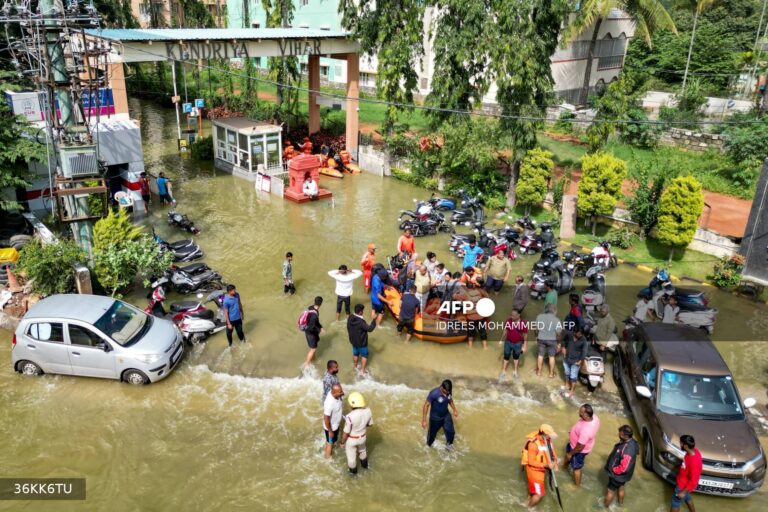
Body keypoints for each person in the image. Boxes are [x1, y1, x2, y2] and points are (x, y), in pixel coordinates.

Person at [522, 424, 559, 508]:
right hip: (534, 471)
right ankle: (529, 508)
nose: (550, 437)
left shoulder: (547, 440)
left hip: (542, 468)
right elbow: (531, 462)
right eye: (549, 435)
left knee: (534, 492)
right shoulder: (533, 444)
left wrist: (555, 461)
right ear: (542, 433)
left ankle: (526, 503)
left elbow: (552, 452)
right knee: (539, 494)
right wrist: (546, 465)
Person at [604, 425, 639, 508]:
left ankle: (605, 507)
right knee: (621, 487)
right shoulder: (633, 442)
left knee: (610, 491)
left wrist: (613, 470)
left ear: (624, 435)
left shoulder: (628, 449)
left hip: (617, 475)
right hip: (624, 477)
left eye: (620, 433)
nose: (618, 434)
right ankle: (620, 505)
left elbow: (624, 467)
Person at [565, 404, 601, 487]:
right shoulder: (594, 417)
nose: (579, 412)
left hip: (578, 450)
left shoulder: (586, 430)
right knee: (567, 455)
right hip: (573, 444)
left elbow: (580, 446)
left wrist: (571, 453)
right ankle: (563, 466)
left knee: (576, 468)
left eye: (580, 412)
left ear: (586, 415)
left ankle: (577, 485)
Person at [340, 392, 373, 475]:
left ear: (352, 404)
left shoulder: (349, 417)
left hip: (352, 440)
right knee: (363, 452)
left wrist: (342, 442)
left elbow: (346, 433)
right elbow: (370, 424)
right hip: (362, 437)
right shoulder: (368, 411)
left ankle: (353, 474)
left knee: (351, 459)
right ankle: (365, 467)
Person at [422, 379, 459, 449]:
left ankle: (448, 448)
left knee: (451, 432)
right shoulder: (434, 393)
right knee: (431, 438)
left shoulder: (448, 391)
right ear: (442, 387)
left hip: (446, 415)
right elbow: (426, 405)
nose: (447, 393)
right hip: (435, 418)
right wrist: (424, 420)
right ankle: (428, 448)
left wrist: (454, 409)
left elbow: (450, 400)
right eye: (446, 391)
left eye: (448, 391)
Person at [671, 435, 703, 512]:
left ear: (685, 446)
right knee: (687, 498)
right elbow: (687, 463)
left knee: (675, 503)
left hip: (682, 486)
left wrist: (683, 492)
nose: (680, 445)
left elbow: (693, 481)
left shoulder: (694, 463)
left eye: (681, 443)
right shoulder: (694, 451)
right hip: (684, 484)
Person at [347, 304, 376, 375]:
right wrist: (374, 320)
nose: (363, 312)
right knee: (364, 355)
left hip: (353, 341)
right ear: (360, 312)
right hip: (362, 343)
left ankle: (355, 366)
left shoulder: (350, 317)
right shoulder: (361, 322)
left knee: (355, 354)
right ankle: (362, 370)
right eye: (362, 311)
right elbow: (370, 329)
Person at [499, 308, 528, 381]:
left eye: (514, 315)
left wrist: (524, 346)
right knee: (506, 357)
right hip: (508, 342)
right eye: (511, 315)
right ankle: (503, 371)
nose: (512, 317)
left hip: (518, 343)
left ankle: (515, 371)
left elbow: (525, 335)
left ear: (519, 315)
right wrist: (501, 340)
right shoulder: (508, 321)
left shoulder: (523, 323)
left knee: (516, 358)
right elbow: (505, 331)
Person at [534, 304, 561, 378]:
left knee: (540, 355)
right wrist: (559, 343)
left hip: (541, 339)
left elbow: (536, 329)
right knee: (552, 357)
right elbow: (558, 333)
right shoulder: (556, 320)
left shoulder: (539, 317)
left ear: (545, 309)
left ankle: (539, 372)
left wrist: (536, 337)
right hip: (552, 340)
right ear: (554, 311)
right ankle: (551, 374)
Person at [561, 326, 589, 398]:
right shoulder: (569, 334)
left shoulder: (583, 340)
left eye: (581, 334)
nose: (580, 335)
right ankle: (567, 385)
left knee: (573, 376)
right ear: (574, 332)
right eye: (579, 334)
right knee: (567, 373)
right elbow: (563, 340)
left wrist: (581, 360)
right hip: (566, 358)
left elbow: (584, 351)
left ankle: (572, 390)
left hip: (576, 361)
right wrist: (563, 347)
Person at [302, 297, 325, 370]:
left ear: (314, 302)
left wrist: (320, 327)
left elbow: (314, 323)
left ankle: (313, 359)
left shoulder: (310, 307)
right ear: (321, 304)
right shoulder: (315, 315)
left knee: (314, 347)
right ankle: (306, 364)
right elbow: (311, 327)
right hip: (310, 333)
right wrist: (319, 330)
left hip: (309, 332)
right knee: (313, 349)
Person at [323, 383, 344, 458]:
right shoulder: (329, 404)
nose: (342, 393)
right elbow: (326, 419)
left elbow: (340, 393)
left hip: (336, 425)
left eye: (342, 391)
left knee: (333, 441)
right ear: (334, 393)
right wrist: (330, 431)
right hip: (331, 428)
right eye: (340, 392)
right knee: (330, 443)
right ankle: (327, 460)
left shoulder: (336, 394)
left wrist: (341, 393)